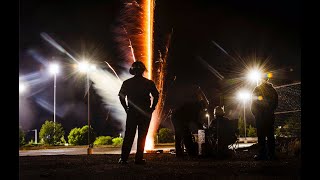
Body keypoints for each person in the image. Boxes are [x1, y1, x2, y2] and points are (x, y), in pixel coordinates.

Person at [118, 61, 159, 165]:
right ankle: (138, 159)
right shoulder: (149, 83)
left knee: (129, 136)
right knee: (142, 136)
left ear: (133, 70)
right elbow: (156, 96)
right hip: (145, 113)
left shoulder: (127, 83)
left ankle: (123, 159)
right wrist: (152, 108)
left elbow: (121, 97)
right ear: (143, 70)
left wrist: (125, 108)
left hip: (132, 112)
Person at [251, 75, 278, 160]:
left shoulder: (257, 89)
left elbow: (253, 104)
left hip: (260, 117)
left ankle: (262, 155)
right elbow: (275, 104)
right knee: (270, 136)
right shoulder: (273, 90)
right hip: (269, 117)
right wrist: (270, 111)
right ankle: (272, 154)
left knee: (261, 136)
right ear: (267, 79)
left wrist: (256, 114)